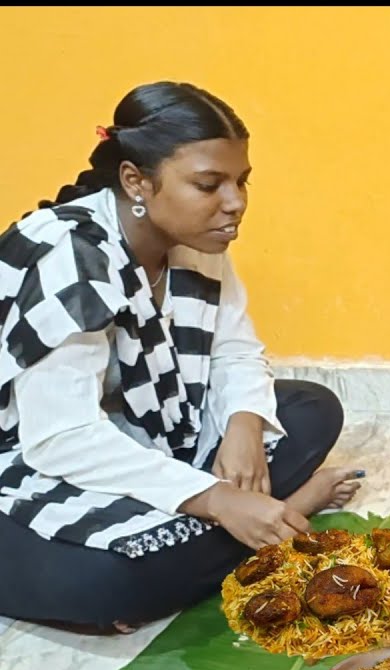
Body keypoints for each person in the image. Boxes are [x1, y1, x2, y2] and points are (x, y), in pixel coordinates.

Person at [0, 81, 363, 634]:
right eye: (208, 184)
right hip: (30, 462)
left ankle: (235, 531)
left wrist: (243, 424)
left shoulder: (198, 235)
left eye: (241, 181)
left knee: (313, 409)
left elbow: (235, 348)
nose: (235, 202)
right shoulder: (71, 258)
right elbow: (60, 437)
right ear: (135, 180)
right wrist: (216, 498)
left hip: (147, 437)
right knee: (109, 584)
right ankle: (286, 513)